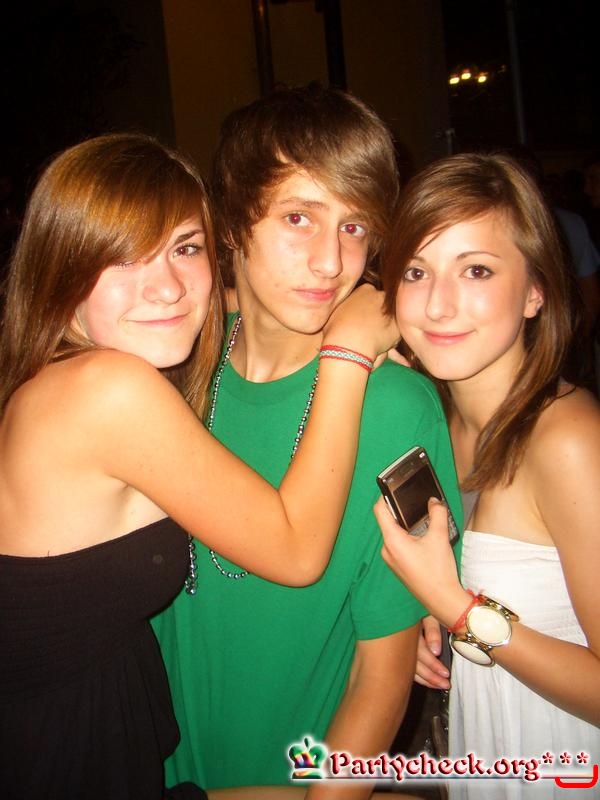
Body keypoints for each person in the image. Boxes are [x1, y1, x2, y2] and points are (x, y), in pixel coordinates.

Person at [0, 132, 402, 800]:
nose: (166, 287)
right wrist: (349, 348)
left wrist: (290, 300)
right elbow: (296, 551)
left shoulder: (52, 376)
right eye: (123, 257)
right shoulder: (108, 391)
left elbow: (203, 303)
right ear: (63, 268)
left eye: (185, 248)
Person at [152, 83, 462, 799]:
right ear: (233, 221)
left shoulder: (395, 407)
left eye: (355, 227)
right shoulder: (172, 369)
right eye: (299, 217)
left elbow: (381, 677)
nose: (331, 261)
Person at [376, 152, 600, 798]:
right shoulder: (431, 423)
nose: (438, 304)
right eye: (416, 271)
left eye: (476, 270)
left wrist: (456, 609)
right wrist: (432, 617)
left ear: (535, 291)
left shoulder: (567, 439)